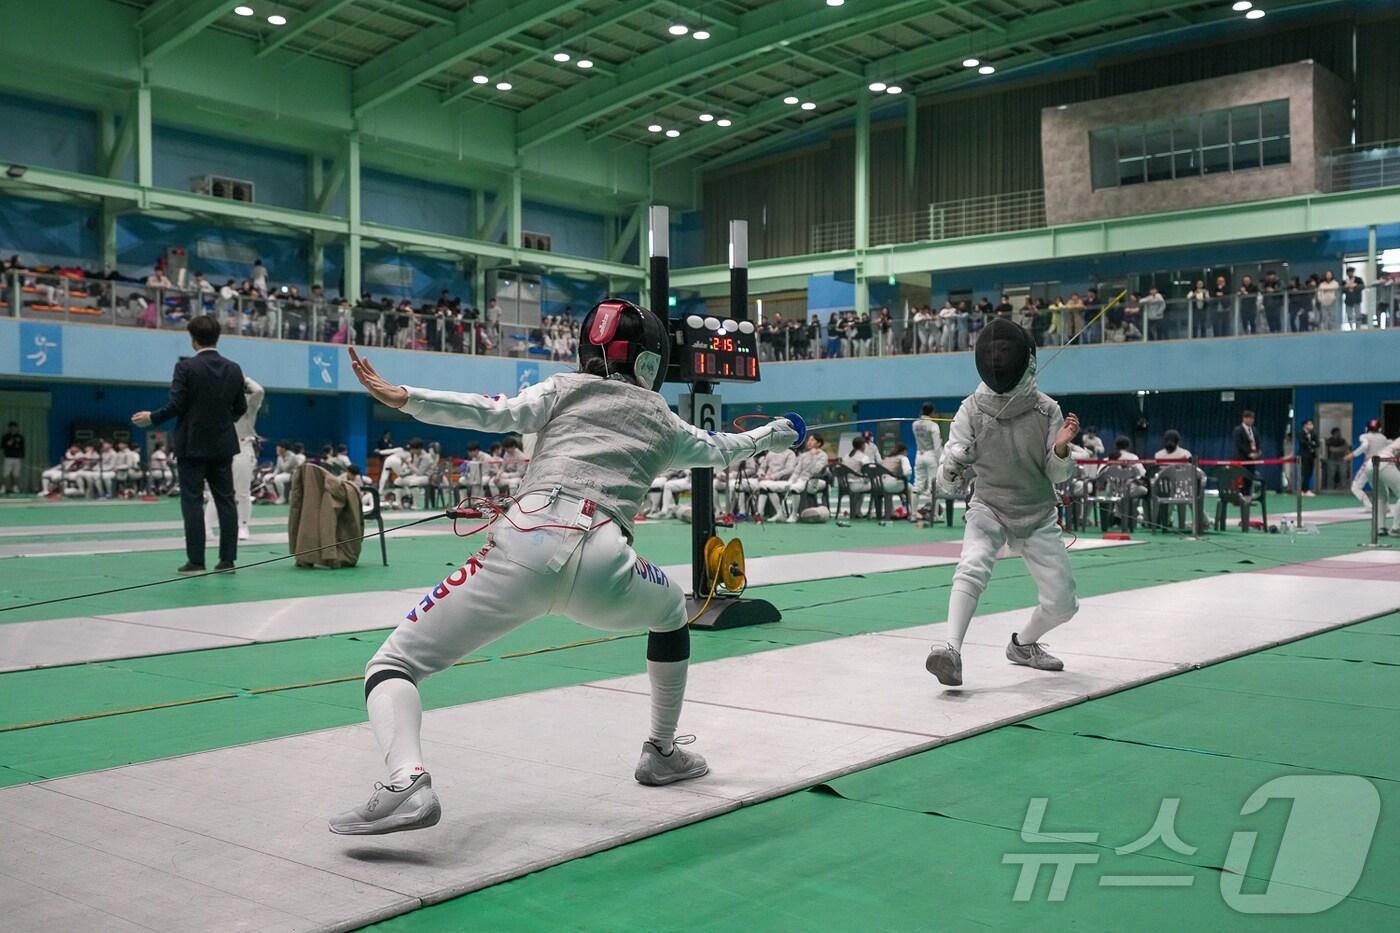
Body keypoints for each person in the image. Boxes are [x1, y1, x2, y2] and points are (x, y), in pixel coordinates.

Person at [328, 299, 798, 835]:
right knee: (670, 608)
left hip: (519, 550)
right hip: (605, 562)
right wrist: (779, 431)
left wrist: (407, 396)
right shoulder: (665, 421)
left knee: (391, 666)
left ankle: (407, 779)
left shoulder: (561, 389)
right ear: (649, 364)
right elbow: (725, 448)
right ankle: (661, 752)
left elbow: (491, 411)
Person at [924, 318, 1080, 687]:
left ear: (1025, 358)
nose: (997, 361)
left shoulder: (1046, 410)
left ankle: (1023, 645)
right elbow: (947, 483)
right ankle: (950, 650)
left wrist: (1060, 447)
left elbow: (1057, 475)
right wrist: (955, 461)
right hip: (989, 507)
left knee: (1063, 604)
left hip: (1037, 513)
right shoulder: (971, 409)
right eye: (991, 353)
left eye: (1005, 352)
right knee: (972, 566)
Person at [131, 315, 247, 574]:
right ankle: (227, 561)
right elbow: (240, 407)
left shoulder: (185, 368)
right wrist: (221, 422)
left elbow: (177, 405)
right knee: (226, 501)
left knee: (192, 501)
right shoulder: (234, 368)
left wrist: (151, 418)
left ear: (193, 340)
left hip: (192, 444)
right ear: (218, 337)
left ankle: (196, 561)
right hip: (222, 445)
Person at [205, 376, 264, 541]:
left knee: (242, 492)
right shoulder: (217, 402)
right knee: (214, 492)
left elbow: (259, 390)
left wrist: (244, 378)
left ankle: (243, 526)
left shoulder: (248, 403)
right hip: (220, 449)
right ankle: (206, 529)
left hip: (243, 448)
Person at [1348, 419, 1391, 512]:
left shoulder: (1364, 436)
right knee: (1381, 486)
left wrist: (1353, 454)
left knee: (1355, 487)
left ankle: (1369, 507)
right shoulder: (1383, 437)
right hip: (1382, 464)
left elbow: (1364, 446)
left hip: (1369, 464)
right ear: (1379, 429)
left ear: (1367, 428)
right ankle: (1386, 506)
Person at [911, 403, 944, 522]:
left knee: (917, 485)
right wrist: (941, 460)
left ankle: (913, 515)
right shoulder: (933, 425)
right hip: (931, 456)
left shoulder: (914, 424)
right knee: (933, 486)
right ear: (932, 412)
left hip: (919, 455)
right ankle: (935, 516)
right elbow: (937, 445)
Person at [1298, 419, 1320, 496]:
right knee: (1304, 473)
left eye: (1311, 424)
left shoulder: (1313, 433)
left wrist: (1311, 443)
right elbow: (1303, 442)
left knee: (1310, 473)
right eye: (1309, 424)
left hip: (1311, 456)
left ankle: (1306, 489)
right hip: (1304, 456)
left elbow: (1317, 443)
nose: (1311, 425)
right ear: (1305, 425)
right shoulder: (1301, 433)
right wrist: (1311, 443)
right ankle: (1302, 490)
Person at [1323, 427, 1349, 491]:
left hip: (1341, 460)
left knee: (1343, 474)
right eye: (1338, 432)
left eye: (1339, 432)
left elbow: (1345, 448)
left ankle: (1344, 488)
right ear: (1334, 433)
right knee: (1331, 475)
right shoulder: (1329, 440)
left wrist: (1336, 449)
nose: (1339, 433)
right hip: (1331, 460)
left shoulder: (1342, 440)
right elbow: (1331, 449)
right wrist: (1340, 449)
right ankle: (1330, 489)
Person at [1, 422, 23, 494]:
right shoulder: (6, 436)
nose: (13, 429)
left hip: (17, 458)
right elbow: (2, 446)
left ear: (17, 428)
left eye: (15, 428)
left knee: (16, 474)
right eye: (12, 428)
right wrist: (9, 442)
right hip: (8, 457)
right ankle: (3, 487)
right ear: (9, 428)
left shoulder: (20, 437)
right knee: (6, 473)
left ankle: (15, 487)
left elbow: (22, 447)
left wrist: (22, 456)